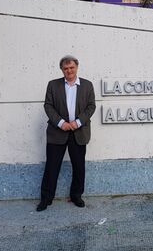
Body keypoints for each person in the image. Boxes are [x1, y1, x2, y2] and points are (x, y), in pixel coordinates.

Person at [37, 55, 96, 211]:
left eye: (72, 67)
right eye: (66, 68)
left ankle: (76, 196)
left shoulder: (87, 85)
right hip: (58, 132)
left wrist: (77, 122)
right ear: (62, 70)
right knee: (52, 166)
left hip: (79, 132)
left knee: (79, 166)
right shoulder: (53, 85)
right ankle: (46, 199)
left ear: (77, 67)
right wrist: (61, 123)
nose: (69, 70)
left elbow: (91, 107)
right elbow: (48, 106)